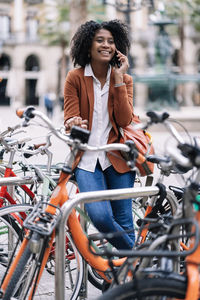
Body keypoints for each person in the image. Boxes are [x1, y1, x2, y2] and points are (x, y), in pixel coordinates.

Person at [64, 19, 136, 250]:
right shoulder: (74, 78)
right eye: (100, 40)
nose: (106, 45)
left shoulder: (125, 80)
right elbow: (69, 118)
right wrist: (73, 122)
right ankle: (140, 261)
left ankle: (121, 281)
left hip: (118, 157)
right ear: (88, 46)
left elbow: (125, 120)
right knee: (101, 217)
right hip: (86, 160)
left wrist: (117, 80)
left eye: (111, 41)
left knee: (124, 221)